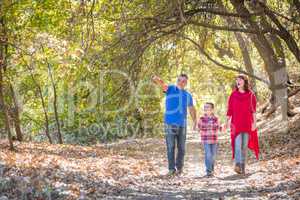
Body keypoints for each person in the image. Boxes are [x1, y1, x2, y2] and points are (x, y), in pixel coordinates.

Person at [152, 74, 197, 176]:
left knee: (181, 148)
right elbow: (162, 84)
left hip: (182, 125)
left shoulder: (188, 95)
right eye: (179, 80)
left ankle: (179, 168)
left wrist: (195, 121)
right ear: (177, 81)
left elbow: (191, 109)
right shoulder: (171, 89)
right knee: (171, 146)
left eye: (184, 81)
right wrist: (157, 79)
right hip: (169, 123)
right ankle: (171, 169)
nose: (181, 82)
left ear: (186, 83)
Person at [226, 74, 259, 175]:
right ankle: (238, 164)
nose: (238, 81)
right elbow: (230, 110)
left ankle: (242, 167)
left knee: (244, 147)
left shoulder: (251, 95)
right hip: (236, 124)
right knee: (237, 145)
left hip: (247, 124)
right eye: (237, 80)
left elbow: (253, 110)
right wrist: (226, 122)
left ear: (245, 82)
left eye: (240, 79)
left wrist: (255, 123)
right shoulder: (233, 95)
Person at [197, 102, 222, 177]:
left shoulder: (216, 118)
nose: (206, 109)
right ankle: (208, 171)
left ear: (212, 109)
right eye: (205, 107)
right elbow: (199, 127)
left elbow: (219, 127)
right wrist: (199, 128)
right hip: (206, 139)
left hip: (214, 139)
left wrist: (223, 127)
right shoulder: (202, 118)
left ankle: (212, 169)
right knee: (208, 155)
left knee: (213, 156)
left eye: (208, 107)